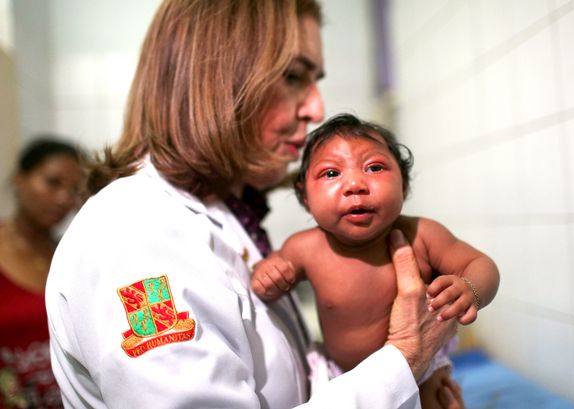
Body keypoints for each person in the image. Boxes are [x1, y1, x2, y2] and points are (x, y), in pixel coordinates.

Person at [45, 1, 462, 408]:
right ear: (213, 78)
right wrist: (404, 358)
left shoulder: (225, 216)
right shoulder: (132, 237)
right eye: (294, 76)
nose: (316, 108)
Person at [251, 113, 500, 408]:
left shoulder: (421, 235)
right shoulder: (304, 248)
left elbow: (482, 265)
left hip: (422, 370)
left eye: (375, 167)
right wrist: (267, 276)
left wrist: (469, 288)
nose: (355, 184)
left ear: (404, 187)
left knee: (437, 400)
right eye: (331, 173)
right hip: (340, 375)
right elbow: (264, 280)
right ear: (305, 197)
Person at [0, 137, 84, 408]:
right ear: (20, 180)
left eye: (75, 190)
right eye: (53, 182)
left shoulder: (71, 256)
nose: (64, 198)